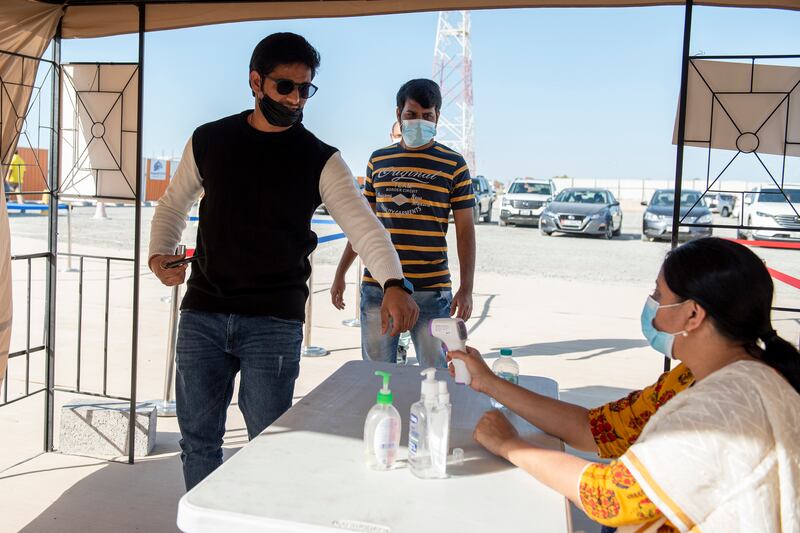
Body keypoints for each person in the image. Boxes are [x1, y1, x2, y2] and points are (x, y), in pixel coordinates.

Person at [148, 33, 418, 490]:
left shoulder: (320, 159)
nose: (296, 100)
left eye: (304, 89)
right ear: (256, 82)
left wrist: (394, 282)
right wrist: (159, 253)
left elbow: (365, 227)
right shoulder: (210, 140)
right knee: (198, 441)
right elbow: (173, 205)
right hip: (203, 314)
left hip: (273, 322)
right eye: (284, 87)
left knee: (267, 444)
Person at [449, 237, 800, 532]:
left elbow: (612, 497)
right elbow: (596, 429)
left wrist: (511, 445)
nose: (652, 307)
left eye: (659, 296)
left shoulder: (724, 406)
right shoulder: (693, 377)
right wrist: (488, 382)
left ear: (693, 314)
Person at [330, 79, 476, 369]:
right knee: (376, 374)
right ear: (399, 114)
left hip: (432, 290)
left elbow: (465, 231)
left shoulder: (454, 164)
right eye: (411, 115)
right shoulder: (379, 161)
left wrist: (467, 287)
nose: (419, 121)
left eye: (427, 116)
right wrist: (341, 272)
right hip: (379, 287)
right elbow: (363, 226)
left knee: (434, 376)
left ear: (437, 117)